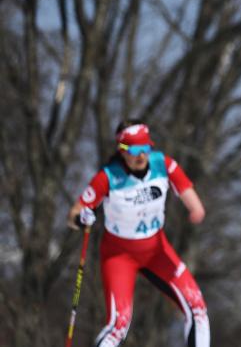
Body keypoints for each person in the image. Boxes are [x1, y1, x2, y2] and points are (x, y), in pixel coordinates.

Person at [67, 120, 211, 347]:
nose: (141, 156)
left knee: (197, 308)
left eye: (145, 148)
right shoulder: (108, 177)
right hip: (119, 255)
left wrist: (196, 209)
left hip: (156, 251)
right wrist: (81, 217)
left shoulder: (163, 164)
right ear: (122, 151)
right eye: (134, 151)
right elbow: (74, 213)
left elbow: (189, 194)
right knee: (119, 325)